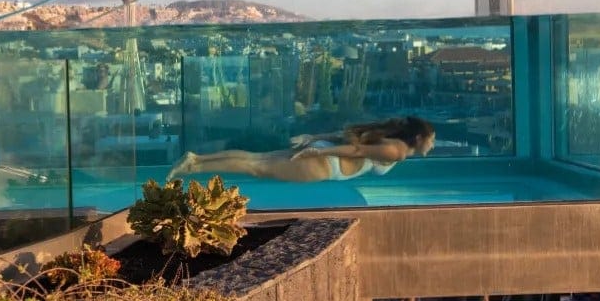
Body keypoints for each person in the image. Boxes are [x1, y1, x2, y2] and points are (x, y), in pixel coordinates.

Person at [166, 116, 435, 183]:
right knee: (257, 167)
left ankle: (196, 159)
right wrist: (317, 151)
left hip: (323, 153)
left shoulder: (390, 138)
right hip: (324, 162)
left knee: (256, 158)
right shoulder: (397, 151)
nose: (432, 145)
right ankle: (194, 168)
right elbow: (355, 151)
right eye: (431, 140)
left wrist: (315, 138)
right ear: (419, 137)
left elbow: (349, 140)